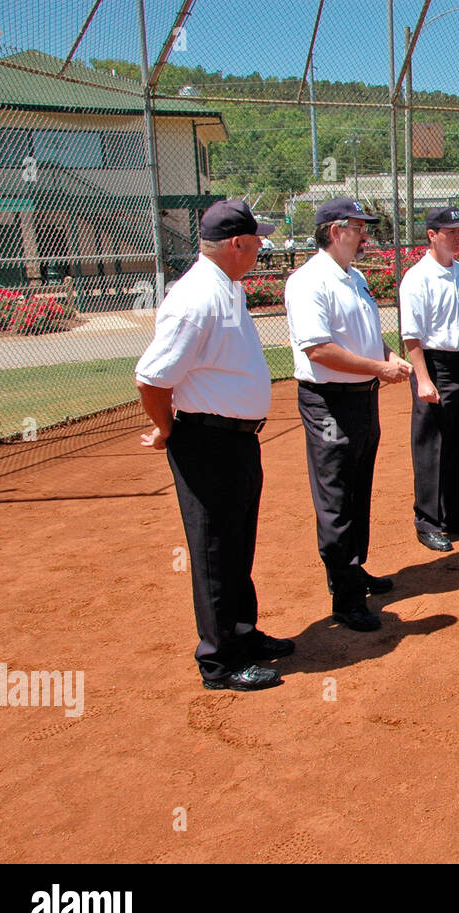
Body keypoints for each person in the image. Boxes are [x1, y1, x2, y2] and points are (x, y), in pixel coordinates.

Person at [135, 199, 288, 691]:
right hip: (206, 441)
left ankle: (242, 633)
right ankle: (220, 661)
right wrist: (166, 429)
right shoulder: (196, 298)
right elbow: (152, 377)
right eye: (257, 240)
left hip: (238, 440)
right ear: (236, 244)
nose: (262, 247)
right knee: (214, 550)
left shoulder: (228, 288)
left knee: (237, 542)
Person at [284, 197, 412, 632]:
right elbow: (319, 349)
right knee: (336, 496)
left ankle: (354, 570)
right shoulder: (308, 281)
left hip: (362, 398)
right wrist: (380, 368)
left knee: (358, 488)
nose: (364, 236)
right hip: (329, 401)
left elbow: (368, 340)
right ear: (336, 231)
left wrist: (390, 358)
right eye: (359, 228)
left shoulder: (353, 277)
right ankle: (345, 596)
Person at [400, 207, 459, 552]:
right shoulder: (417, 278)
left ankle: (455, 513)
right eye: (450, 231)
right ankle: (428, 520)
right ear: (431, 235)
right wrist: (423, 380)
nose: (457, 236)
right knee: (432, 445)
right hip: (436, 368)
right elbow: (412, 337)